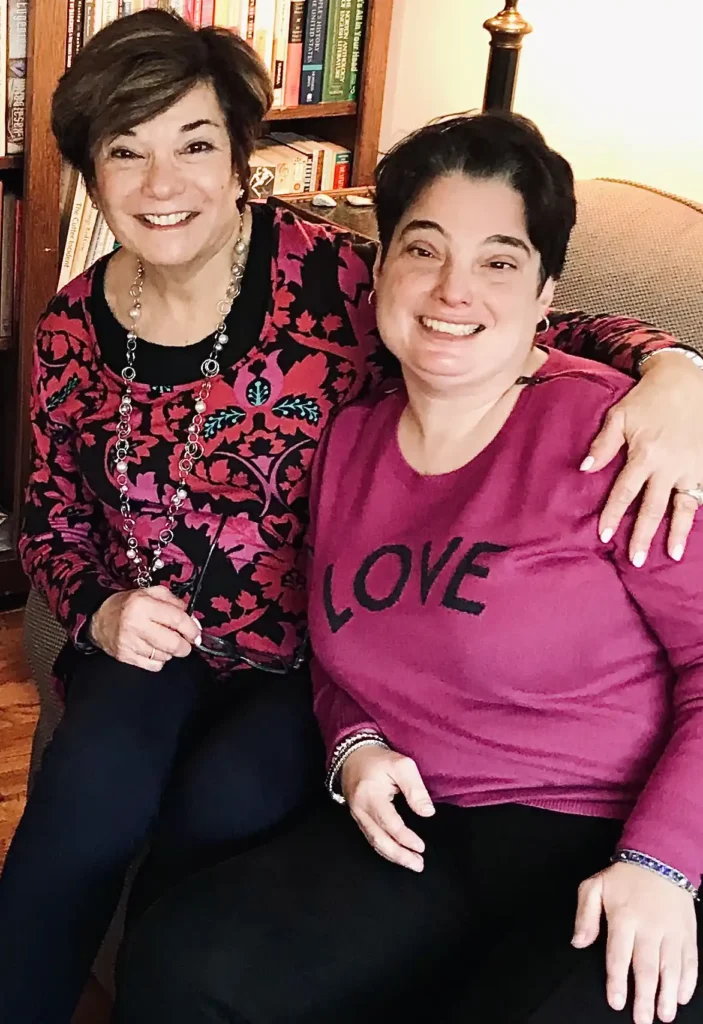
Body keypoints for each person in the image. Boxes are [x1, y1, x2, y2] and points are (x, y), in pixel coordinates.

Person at [1, 7, 701, 1021]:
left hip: (302, 663)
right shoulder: (75, 325)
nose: (163, 185)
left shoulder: (335, 276)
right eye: (126, 151)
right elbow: (54, 512)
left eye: (195, 144)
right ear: (89, 173)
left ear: (242, 158)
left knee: (225, 805)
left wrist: (674, 364)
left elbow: (502, 320)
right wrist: (99, 606)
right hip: (174, 650)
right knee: (87, 795)